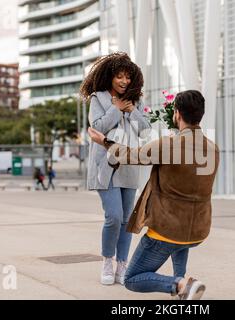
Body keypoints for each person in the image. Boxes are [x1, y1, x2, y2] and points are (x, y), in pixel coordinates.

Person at [88, 90, 220, 300]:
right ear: (200, 115)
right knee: (180, 241)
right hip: (198, 231)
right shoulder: (213, 149)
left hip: (167, 230)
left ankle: (179, 284)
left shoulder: (169, 145)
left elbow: (132, 156)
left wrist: (105, 141)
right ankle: (184, 286)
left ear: (177, 114)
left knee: (132, 278)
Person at [79, 52, 151, 286]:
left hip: (129, 167)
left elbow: (145, 130)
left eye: (127, 77)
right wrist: (116, 108)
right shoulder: (98, 99)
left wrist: (132, 111)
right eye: (119, 76)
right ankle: (107, 261)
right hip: (105, 167)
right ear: (110, 77)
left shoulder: (134, 101)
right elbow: (97, 128)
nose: (124, 81)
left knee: (126, 221)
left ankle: (122, 264)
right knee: (114, 216)